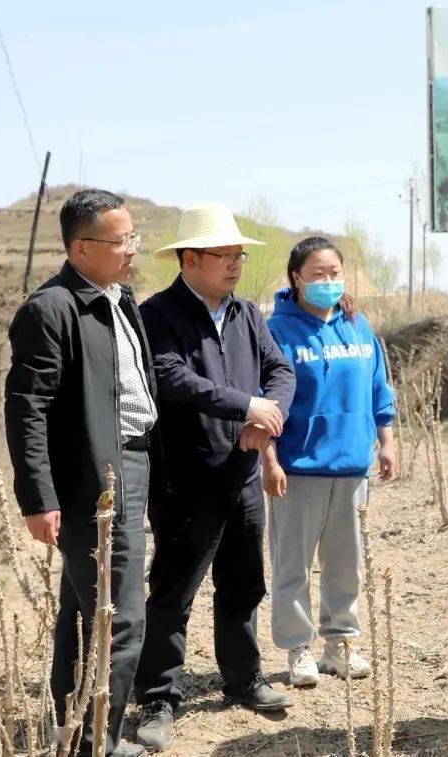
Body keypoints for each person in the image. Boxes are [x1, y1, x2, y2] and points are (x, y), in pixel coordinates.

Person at [134, 202, 296, 751]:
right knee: (174, 591)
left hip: (243, 472)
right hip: (188, 478)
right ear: (190, 258)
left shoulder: (247, 313)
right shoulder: (157, 315)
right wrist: (244, 405)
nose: (235, 264)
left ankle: (243, 676)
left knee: (244, 582)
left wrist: (264, 416)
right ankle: (158, 696)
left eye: (238, 255)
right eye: (224, 255)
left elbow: (281, 371)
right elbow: (170, 376)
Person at [5, 188, 155, 757]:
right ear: (81, 248)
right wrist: (38, 496)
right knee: (118, 617)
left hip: (132, 463)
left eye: (133, 238)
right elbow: (27, 407)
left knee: (82, 610)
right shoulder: (52, 309)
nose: (131, 250)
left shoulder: (118, 298)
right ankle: (101, 742)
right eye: (120, 241)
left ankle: (70, 733)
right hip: (96, 481)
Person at [260, 236, 396, 686]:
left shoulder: (359, 326)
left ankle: (340, 644)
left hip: (353, 465)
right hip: (298, 468)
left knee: (345, 562)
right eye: (317, 274)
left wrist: (387, 441)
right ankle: (298, 648)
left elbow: (379, 389)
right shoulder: (277, 330)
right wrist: (270, 459)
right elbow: (265, 401)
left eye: (334, 273)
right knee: (292, 564)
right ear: (296, 278)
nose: (327, 281)